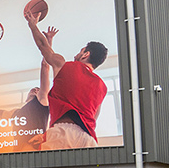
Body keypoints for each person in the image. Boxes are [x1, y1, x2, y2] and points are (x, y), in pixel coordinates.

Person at [27, 15, 108, 150]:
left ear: (85, 54)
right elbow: (94, 118)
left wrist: (32, 25)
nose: (77, 54)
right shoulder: (102, 87)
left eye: (80, 51)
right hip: (88, 140)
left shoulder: (64, 65)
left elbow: (43, 47)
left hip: (62, 132)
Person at [0, 27, 56, 147]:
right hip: (18, 152)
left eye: (38, 89)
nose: (36, 89)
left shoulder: (42, 103)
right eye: (33, 89)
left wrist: (49, 41)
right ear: (26, 96)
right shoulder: (16, 113)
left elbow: (45, 66)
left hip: (33, 150)